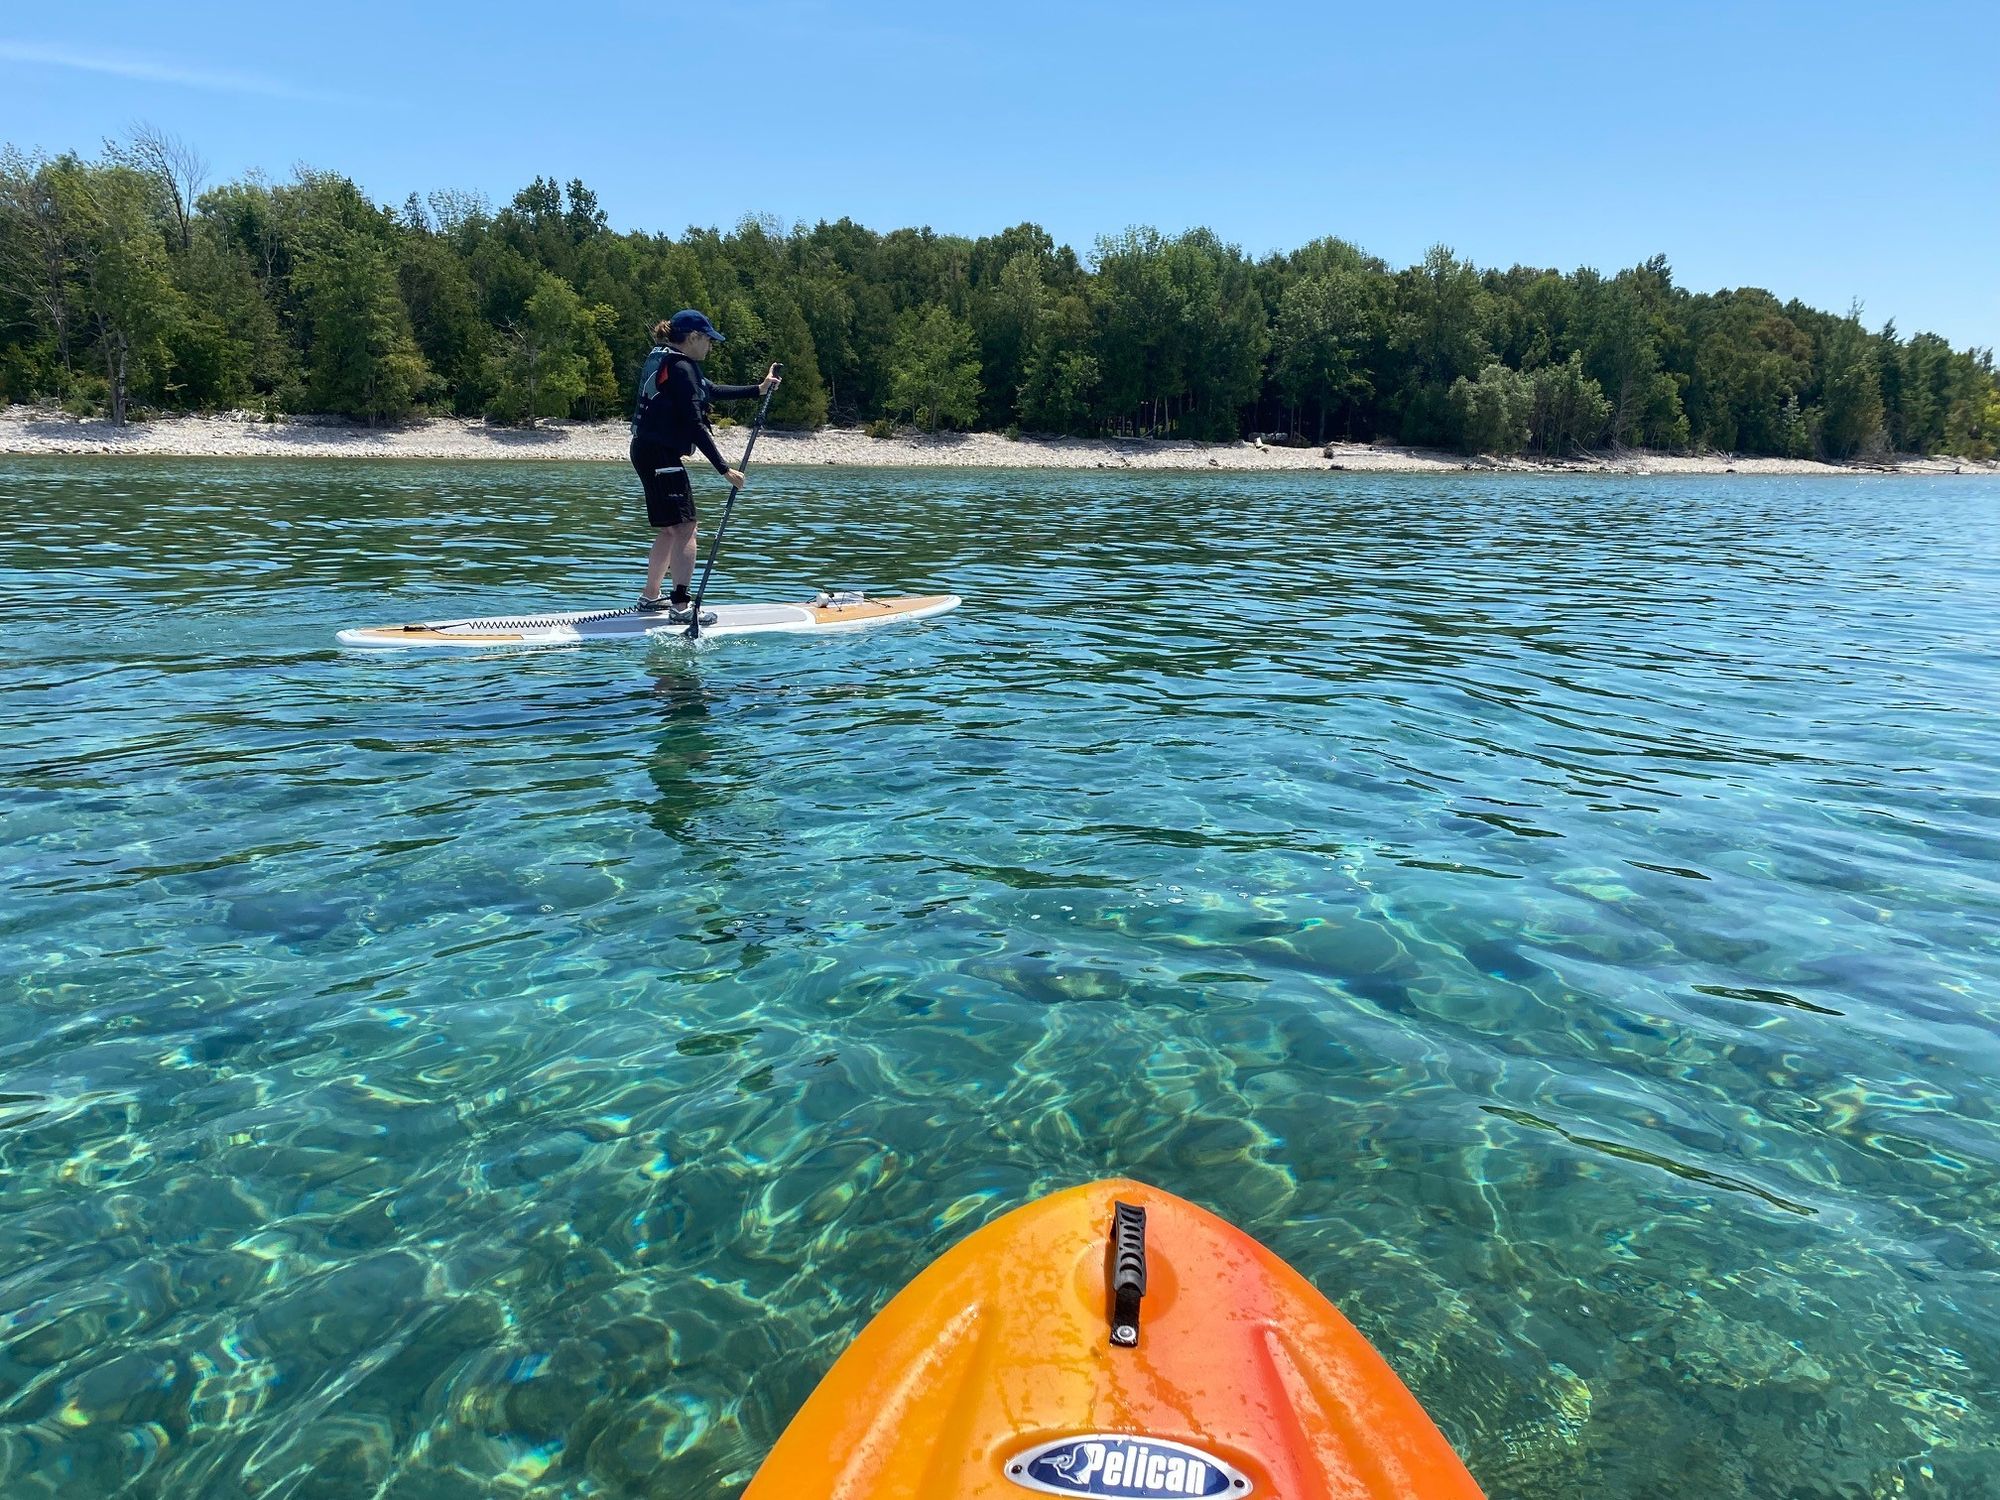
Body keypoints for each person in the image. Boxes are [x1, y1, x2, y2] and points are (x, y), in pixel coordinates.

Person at [629, 309, 781, 621]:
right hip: (659, 455)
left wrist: (759, 389)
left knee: (672, 529)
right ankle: (681, 607)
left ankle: (650, 598)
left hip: (647, 451)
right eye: (708, 340)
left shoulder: (672, 360)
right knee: (686, 527)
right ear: (693, 337)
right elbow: (696, 426)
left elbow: (709, 391)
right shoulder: (682, 366)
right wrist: (725, 470)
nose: (710, 346)